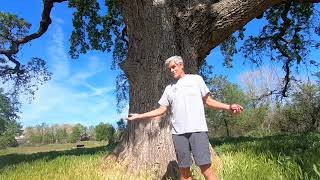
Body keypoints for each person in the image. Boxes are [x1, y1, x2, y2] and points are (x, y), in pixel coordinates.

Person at [127, 56, 243, 180]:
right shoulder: (169, 89)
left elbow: (208, 101)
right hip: (178, 134)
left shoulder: (196, 79)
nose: (171, 70)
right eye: (169, 68)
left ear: (181, 65)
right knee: (184, 173)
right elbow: (161, 110)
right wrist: (140, 116)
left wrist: (229, 107)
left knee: (207, 170)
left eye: (174, 67)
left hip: (197, 130)